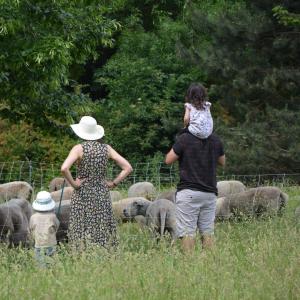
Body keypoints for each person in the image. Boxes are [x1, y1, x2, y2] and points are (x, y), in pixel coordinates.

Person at [61, 116, 132, 248]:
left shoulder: (78, 148)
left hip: (82, 195)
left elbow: (64, 168)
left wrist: (75, 184)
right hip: (102, 193)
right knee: (101, 226)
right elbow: (128, 168)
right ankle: (103, 254)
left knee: (81, 226)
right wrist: (113, 183)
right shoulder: (107, 149)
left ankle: (82, 254)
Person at [165, 130, 225, 253]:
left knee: (187, 231)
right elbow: (222, 162)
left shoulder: (184, 139)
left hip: (189, 192)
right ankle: (208, 262)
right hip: (209, 192)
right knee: (207, 230)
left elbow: (168, 160)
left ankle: (189, 263)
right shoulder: (215, 139)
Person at [30, 191, 60, 267]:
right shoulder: (52, 216)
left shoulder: (33, 217)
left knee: (40, 264)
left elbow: (31, 228)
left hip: (38, 244)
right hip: (51, 244)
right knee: (52, 263)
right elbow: (57, 226)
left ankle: (43, 275)